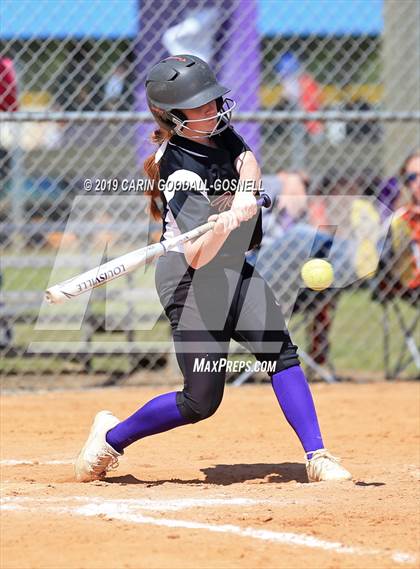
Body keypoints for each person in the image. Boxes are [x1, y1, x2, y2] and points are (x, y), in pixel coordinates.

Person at [74, 55, 351, 484]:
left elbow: (247, 160)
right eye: (200, 106)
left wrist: (245, 192)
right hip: (188, 278)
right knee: (200, 400)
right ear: (173, 116)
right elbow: (199, 256)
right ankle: (112, 437)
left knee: (280, 351)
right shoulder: (177, 170)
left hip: (231, 268)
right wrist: (226, 224)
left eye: (213, 101)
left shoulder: (219, 133)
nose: (213, 110)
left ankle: (318, 455)